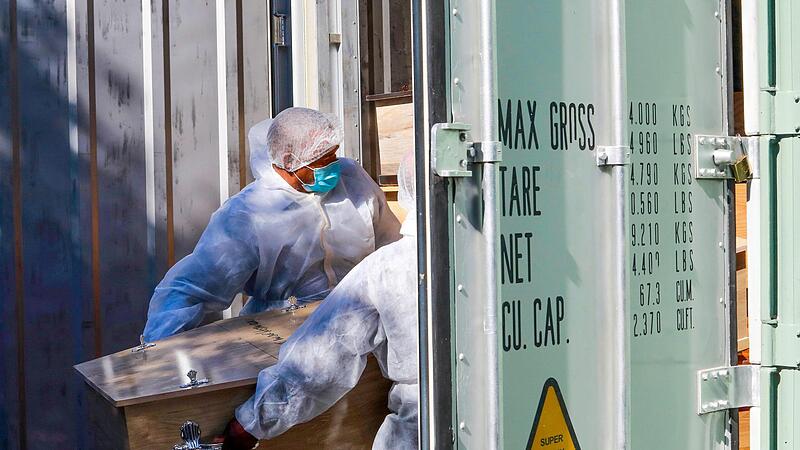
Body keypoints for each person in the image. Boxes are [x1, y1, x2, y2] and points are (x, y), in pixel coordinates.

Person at [142, 107, 401, 342]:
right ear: (289, 161)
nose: (333, 164)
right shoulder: (248, 213)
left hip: (361, 320)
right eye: (322, 159)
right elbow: (190, 287)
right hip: (282, 333)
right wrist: (158, 353)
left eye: (333, 153)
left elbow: (392, 245)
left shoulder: (351, 178)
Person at [220, 150, 420, 450]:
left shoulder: (390, 266)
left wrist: (250, 424)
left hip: (421, 429)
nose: (331, 164)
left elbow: (320, 359)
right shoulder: (491, 257)